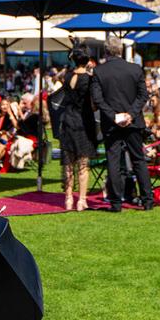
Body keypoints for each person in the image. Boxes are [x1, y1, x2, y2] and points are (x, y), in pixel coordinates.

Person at [91, 35, 151, 212]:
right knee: (138, 160)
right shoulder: (134, 69)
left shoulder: (100, 71)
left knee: (113, 161)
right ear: (121, 49)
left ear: (106, 50)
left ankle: (116, 202)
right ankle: (147, 199)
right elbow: (143, 96)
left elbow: (98, 99)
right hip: (130, 121)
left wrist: (115, 116)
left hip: (113, 122)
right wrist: (130, 115)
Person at [58, 47, 97, 211]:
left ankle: (68, 199)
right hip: (83, 123)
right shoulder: (88, 80)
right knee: (83, 164)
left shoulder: (66, 77)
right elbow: (94, 105)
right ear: (87, 61)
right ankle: (81, 200)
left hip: (67, 121)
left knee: (68, 165)